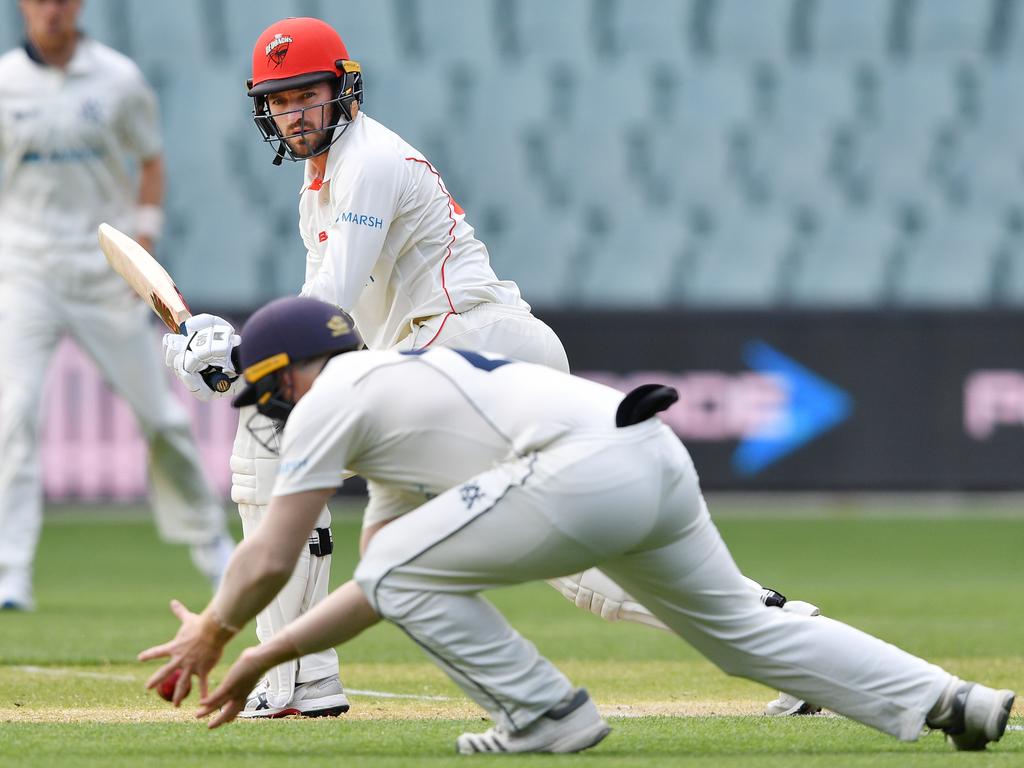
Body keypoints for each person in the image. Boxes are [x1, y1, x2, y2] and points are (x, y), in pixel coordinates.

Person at [164, 15, 828, 719]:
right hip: (463, 354)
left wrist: (237, 358)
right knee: (577, 563)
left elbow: (326, 309)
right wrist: (235, 361)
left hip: (470, 346)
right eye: (280, 99)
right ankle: (792, 640)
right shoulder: (318, 184)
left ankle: (298, 680)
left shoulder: (369, 162)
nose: (294, 113)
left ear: (343, 90)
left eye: (307, 94)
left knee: (272, 446)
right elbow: (322, 326)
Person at [140, 296, 1015, 754]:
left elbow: (271, 553)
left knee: (403, 566)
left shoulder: (335, 394)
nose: (270, 413)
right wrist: (261, 657)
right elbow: (381, 589)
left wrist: (219, 631)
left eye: (267, 393)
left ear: (294, 371)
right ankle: (952, 700)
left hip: (587, 471)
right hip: (649, 454)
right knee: (746, 637)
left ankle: (544, 714)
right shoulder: (395, 399)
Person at [0, 0, 234, 610]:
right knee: (13, 416)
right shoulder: (4, 83)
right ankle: (9, 573)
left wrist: (144, 242)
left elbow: (151, 160)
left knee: (161, 417)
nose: (51, 10)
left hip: (103, 274)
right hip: (25, 271)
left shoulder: (118, 79)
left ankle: (211, 545)